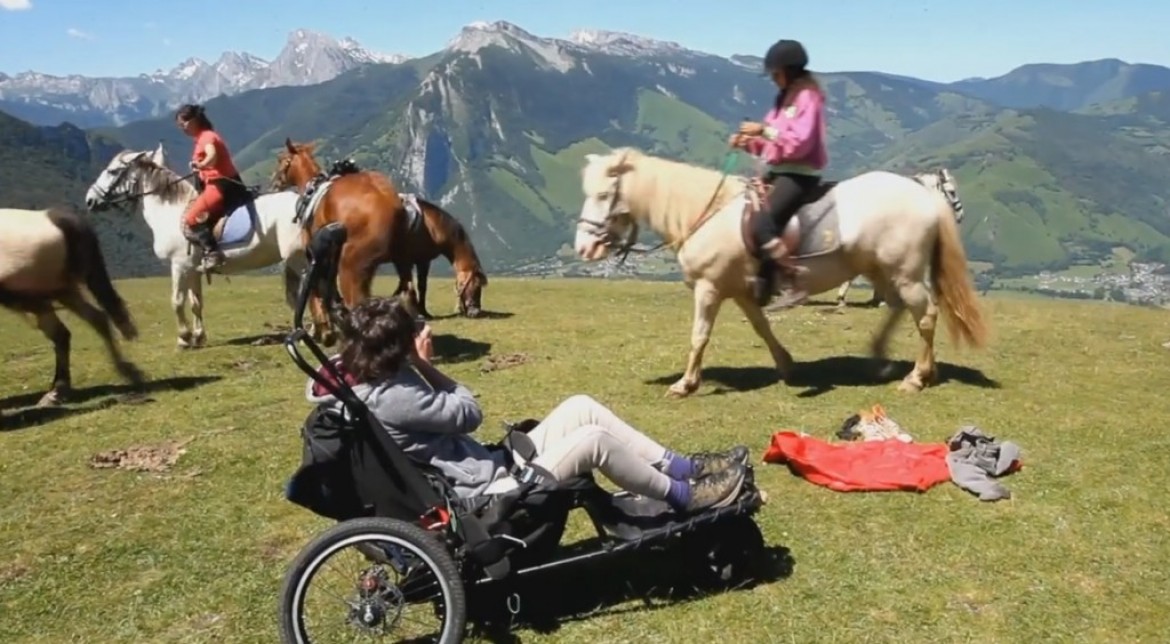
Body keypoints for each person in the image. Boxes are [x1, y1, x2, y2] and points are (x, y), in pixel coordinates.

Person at [304, 296, 751, 514]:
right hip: (484, 493)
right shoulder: (393, 396)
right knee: (593, 440)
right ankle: (686, 496)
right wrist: (426, 365)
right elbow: (468, 412)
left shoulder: (359, 378)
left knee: (581, 406)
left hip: (486, 467)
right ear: (394, 349)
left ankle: (684, 468)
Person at [729, 39, 829, 308]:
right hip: (779, 171)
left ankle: (794, 280)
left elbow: (800, 142)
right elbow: (772, 143)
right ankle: (764, 281)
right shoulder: (783, 100)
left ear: (790, 70)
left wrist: (762, 130)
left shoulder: (808, 97)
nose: (773, 79)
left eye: (776, 73)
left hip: (799, 175)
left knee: (762, 224)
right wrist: (748, 142)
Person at [175, 103, 248, 271]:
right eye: (179, 125)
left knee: (191, 218)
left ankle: (212, 253)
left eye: (183, 123)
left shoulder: (206, 137)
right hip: (227, 183)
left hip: (220, 185)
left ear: (194, 121)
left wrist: (201, 165)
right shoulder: (204, 137)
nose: (182, 128)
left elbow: (212, 156)